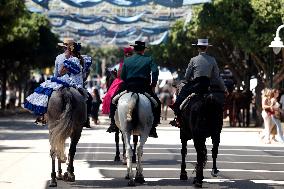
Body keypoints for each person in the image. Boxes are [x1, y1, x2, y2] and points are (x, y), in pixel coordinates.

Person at [108, 41, 161, 138]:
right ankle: (153, 127)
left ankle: (113, 123)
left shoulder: (127, 60)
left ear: (134, 49)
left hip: (129, 86)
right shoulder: (149, 59)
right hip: (144, 86)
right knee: (157, 103)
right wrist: (153, 84)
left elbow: (123, 76)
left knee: (113, 100)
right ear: (143, 50)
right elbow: (155, 71)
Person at [24, 41, 85, 124]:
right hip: (78, 83)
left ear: (68, 49)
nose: (64, 49)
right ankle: (84, 117)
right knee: (85, 99)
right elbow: (83, 74)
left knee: (46, 92)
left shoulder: (61, 57)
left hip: (66, 80)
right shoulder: (80, 59)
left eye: (65, 48)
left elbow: (58, 73)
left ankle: (43, 116)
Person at [169, 38, 226, 126]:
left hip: (196, 84)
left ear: (198, 48)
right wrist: (224, 88)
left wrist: (187, 80)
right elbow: (217, 77)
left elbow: (187, 76)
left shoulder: (193, 60)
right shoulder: (212, 60)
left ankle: (177, 113)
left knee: (182, 93)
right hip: (208, 85)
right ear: (207, 48)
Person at [104, 47, 134, 132]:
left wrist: (116, 74)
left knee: (113, 99)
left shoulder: (123, 63)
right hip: (138, 85)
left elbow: (120, 75)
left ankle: (113, 123)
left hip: (126, 85)